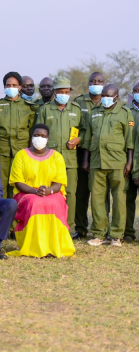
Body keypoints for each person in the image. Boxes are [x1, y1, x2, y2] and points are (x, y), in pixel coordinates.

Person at [7, 124, 75, 258]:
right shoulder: (21, 155)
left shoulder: (57, 157)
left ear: (48, 138)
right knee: (35, 203)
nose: (39, 138)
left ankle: (54, 246)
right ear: (31, 137)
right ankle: (35, 246)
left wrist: (49, 191)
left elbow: (59, 182)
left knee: (55, 204)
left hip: (51, 192)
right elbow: (18, 182)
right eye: (36, 135)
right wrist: (34, 192)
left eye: (43, 136)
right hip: (27, 193)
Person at [82, 84, 134, 247]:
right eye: (103, 95)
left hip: (118, 162)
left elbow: (130, 141)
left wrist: (129, 162)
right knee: (97, 199)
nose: (104, 98)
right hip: (97, 162)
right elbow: (88, 139)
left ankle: (116, 235)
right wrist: (86, 160)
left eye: (108, 95)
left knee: (119, 199)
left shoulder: (125, 113)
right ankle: (99, 233)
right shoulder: (95, 112)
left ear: (117, 97)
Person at [34, 77, 83, 235]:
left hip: (70, 159)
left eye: (66, 92)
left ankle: (67, 227)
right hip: (48, 158)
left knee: (70, 194)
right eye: (60, 92)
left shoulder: (76, 109)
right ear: (54, 92)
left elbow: (84, 130)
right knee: (47, 192)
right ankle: (48, 226)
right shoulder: (45, 109)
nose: (63, 94)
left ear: (70, 93)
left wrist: (79, 139)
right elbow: (36, 133)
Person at [0, 72, 38, 198]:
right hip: (2, 152)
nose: (11, 87)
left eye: (14, 85)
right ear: (4, 87)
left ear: (20, 87)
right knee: (0, 186)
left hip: (21, 153)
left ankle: (18, 217)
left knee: (19, 187)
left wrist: (31, 155)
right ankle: (2, 217)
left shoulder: (30, 108)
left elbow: (32, 132)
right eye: (8, 85)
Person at [72, 72, 105, 238]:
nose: (96, 83)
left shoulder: (109, 102)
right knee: (81, 194)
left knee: (101, 195)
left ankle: (103, 229)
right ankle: (81, 228)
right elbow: (76, 128)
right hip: (81, 154)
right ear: (88, 83)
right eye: (93, 81)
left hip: (102, 155)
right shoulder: (79, 102)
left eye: (99, 81)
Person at [127, 81, 139, 243]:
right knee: (127, 199)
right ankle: (128, 231)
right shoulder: (126, 111)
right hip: (127, 161)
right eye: (135, 90)